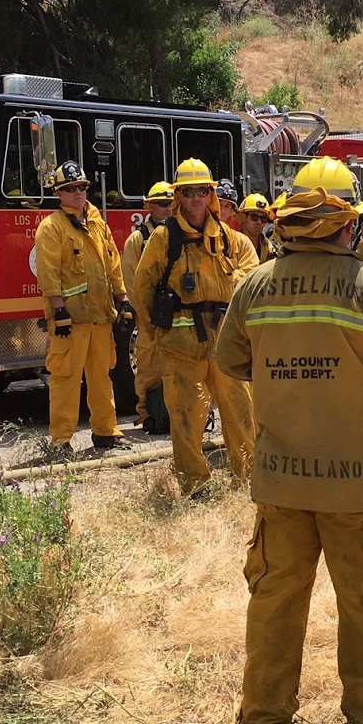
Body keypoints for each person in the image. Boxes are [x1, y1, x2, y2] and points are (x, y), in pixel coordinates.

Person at [216, 157, 363, 724]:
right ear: (348, 224)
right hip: (358, 485)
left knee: (274, 598)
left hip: (279, 481)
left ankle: (263, 722)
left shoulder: (256, 285)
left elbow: (230, 360)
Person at [132, 158, 257, 496]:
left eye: (203, 190)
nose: (196, 198)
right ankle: (195, 486)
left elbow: (251, 279)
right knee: (187, 418)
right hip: (180, 346)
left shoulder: (230, 238)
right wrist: (155, 331)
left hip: (225, 343)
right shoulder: (163, 237)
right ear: (179, 196)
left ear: (211, 194)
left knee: (241, 412)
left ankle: (247, 478)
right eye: (188, 192)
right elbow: (142, 286)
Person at [33, 161, 131, 455]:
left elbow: (112, 262)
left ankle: (105, 431)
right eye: (70, 189)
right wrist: (59, 310)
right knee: (66, 379)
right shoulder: (52, 227)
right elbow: (48, 272)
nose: (78, 193)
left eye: (82, 187)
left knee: (102, 376)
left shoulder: (97, 223)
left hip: (99, 317)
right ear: (59, 194)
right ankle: (61, 440)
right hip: (71, 320)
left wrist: (123, 299)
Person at [122, 181, 174, 432]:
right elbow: (132, 281)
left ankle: (175, 415)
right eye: (162, 204)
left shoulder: (179, 234)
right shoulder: (138, 239)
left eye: (171, 204)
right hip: (150, 319)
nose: (168, 209)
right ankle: (148, 416)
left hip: (177, 317)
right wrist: (146, 315)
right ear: (150, 206)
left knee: (178, 369)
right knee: (148, 369)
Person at [239, 193, 276, 263]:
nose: (259, 222)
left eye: (263, 218)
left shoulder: (271, 249)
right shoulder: (231, 245)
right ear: (243, 218)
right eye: (254, 217)